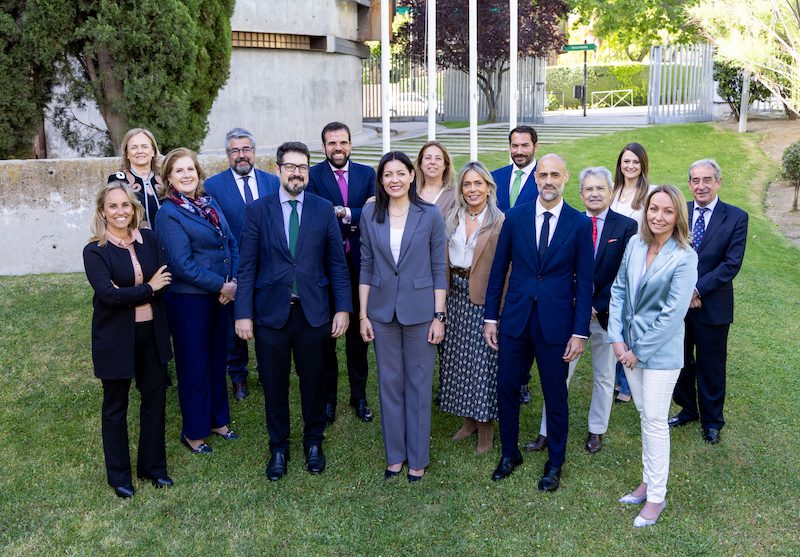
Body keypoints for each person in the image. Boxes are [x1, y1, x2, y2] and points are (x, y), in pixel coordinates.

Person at [234, 142, 351, 481]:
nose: (296, 172)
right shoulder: (258, 211)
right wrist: (243, 313)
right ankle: (278, 447)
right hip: (271, 315)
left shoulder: (322, 208)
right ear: (278, 170)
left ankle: (314, 442)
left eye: (303, 167)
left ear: (308, 171)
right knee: (274, 384)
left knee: (314, 382)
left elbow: (337, 265)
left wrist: (342, 309)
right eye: (290, 166)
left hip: (313, 314)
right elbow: (247, 267)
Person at [483, 154, 593, 491]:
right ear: (535, 179)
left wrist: (579, 332)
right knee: (506, 387)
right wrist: (491, 317)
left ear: (566, 177)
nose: (548, 180)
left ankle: (555, 462)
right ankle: (509, 453)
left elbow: (585, 282)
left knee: (555, 394)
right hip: (515, 320)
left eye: (554, 175)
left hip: (555, 325)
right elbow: (499, 270)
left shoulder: (578, 223)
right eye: (542, 174)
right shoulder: (514, 218)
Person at [528, 167, 637, 455]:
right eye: (588, 189)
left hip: (605, 315)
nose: (594, 193)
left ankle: (596, 430)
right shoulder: (570, 222)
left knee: (603, 375)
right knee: (559, 373)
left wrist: (594, 306)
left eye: (600, 188)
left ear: (610, 191)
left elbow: (624, 276)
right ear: (580, 193)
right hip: (569, 311)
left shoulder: (626, 228)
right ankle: (546, 431)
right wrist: (575, 303)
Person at [608, 184, 698, 528]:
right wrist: (617, 339)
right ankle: (648, 480)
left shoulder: (685, 256)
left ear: (678, 217)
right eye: (653, 209)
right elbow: (618, 291)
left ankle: (656, 496)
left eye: (667, 211)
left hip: (659, 355)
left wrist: (636, 351)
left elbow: (673, 314)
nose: (658, 216)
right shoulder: (635, 243)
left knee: (656, 422)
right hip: (627, 348)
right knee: (647, 417)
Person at [359, 151, 447, 482]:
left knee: (419, 384)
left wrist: (439, 315)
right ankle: (395, 454)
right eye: (387, 174)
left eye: (400, 173)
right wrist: (363, 314)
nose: (394, 179)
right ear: (381, 181)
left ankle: (418, 457)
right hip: (381, 312)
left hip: (422, 311)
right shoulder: (371, 213)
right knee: (389, 384)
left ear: (412, 176)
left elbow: (439, 267)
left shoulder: (430, 214)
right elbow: (366, 263)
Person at [83, 182, 173, 497]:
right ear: (102, 212)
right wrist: (148, 288)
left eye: (126, 205)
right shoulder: (95, 250)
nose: (120, 211)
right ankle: (120, 476)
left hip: (152, 332)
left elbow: (166, 278)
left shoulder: (150, 239)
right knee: (115, 406)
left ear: (134, 208)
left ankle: (153, 468)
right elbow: (109, 296)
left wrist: (137, 291)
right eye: (113, 206)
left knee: (155, 399)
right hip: (116, 337)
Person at [155, 148, 240, 455]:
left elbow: (230, 241)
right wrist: (222, 285)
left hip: (221, 296)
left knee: (218, 359)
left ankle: (218, 420)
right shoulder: (168, 213)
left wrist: (233, 281)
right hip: (189, 301)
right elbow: (181, 263)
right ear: (168, 178)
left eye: (190, 169)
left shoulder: (209, 202)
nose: (187, 175)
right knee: (194, 365)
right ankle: (194, 431)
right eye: (179, 171)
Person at [669, 160, 748, 445]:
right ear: (689, 184)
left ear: (718, 182)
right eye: (695, 180)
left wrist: (697, 291)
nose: (700, 186)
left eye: (706, 180)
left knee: (711, 365)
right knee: (680, 361)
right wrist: (683, 292)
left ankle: (712, 421)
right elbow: (669, 253)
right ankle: (688, 409)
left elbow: (731, 264)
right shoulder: (680, 212)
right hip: (679, 305)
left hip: (713, 305)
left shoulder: (737, 217)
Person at [308, 122, 376, 424]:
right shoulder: (313, 176)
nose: (338, 148)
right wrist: (350, 219)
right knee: (327, 338)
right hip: (326, 268)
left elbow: (376, 211)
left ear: (351, 144)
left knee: (358, 340)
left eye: (343, 142)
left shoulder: (367, 174)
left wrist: (346, 213)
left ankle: (359, 396)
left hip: (362, 266)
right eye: (332, 143)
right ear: (324, 146)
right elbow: (314, 214)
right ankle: (328, 400)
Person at [205, 128, 280, 401]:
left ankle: (267, 370)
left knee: (267, 323)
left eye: (246, 149)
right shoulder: (212, 187)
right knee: (234, 324)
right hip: (235, 269)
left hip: (270, 266)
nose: (241, 155)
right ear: (227, 155)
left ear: (254, 152)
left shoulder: (273, 182)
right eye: (235, 150)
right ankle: (238, 376)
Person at [439, 161, 505, 455]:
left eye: (478, 183)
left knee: (482, 366)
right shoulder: (451, 217)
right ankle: (468, 422)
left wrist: (499, 311)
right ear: (461, 190)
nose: (472, 189)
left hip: (484, 300)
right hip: (454, 296)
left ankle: (486, 429)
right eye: (467, 184)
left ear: (489, 187)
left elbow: (507, 269)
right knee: (456, 362)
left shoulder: (500, 221)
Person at [491, 125, 541, 404]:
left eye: (524, 145)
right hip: (496, 257)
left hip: (527, 262)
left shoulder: (542, 178)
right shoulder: (496, 177)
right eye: (514, 146)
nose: (519, 151)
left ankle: (522, 379)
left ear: (535, 145)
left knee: (526, 320)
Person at [610, 142, 652, 403]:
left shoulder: (649, 194)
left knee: (628, 322)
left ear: (643, 165)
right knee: (612, 321)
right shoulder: (613, 191)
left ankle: (626, 383)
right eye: (626, 161)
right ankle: (616, 376)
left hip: (634, 264)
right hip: (610, 263)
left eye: (635, 162)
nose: (630, 166)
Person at [108, 128, 163, 230]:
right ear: (127, 154)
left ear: (153, 152)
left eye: (144, 146)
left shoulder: (166, 178)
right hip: (135, 242)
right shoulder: (117, 180)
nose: (139, 151)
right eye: (134, 147)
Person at [415, 140, 456, 216]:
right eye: (428, 158)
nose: (433, 162)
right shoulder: (410, 192)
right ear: (420, 164)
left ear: (445, 165)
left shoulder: (454, 195)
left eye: (438, 158)